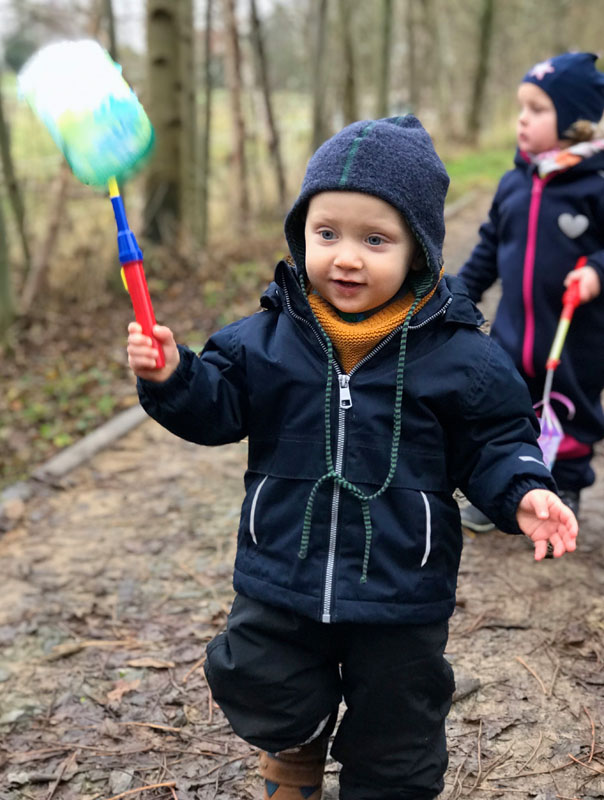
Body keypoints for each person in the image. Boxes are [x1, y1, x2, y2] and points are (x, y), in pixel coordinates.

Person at [127, 116, 578, 800]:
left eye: (375, 239)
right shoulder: (263, 341)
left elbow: (495, 441)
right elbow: (216, 408)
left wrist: (522, 489)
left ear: (419, 251)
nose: (346, 257)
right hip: (282, 569)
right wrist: (174, 377)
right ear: (301, 234)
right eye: (326, 233)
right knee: (257, 673)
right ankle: (298, 745)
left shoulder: (461, 357)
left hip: (402, 585)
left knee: (399, 728)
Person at [458, 52, 604, 533]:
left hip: (574, 337)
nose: (523, 118)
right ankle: (503, 489)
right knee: (504, 409)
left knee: (571, 411)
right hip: (512, 332)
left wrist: (595, 273)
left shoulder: (596, 186)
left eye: (538, 109)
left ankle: (564, 488)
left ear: (576, 120)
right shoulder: (513, 185)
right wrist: (459, 294)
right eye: (522, 106)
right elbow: (488, 251)